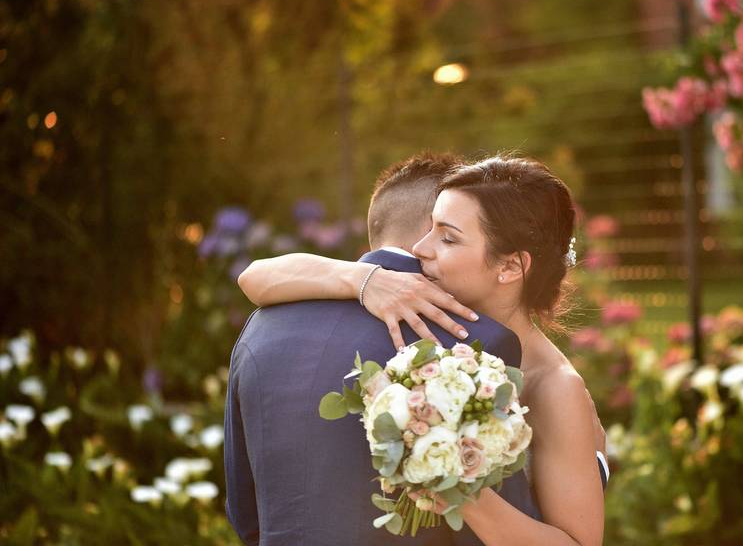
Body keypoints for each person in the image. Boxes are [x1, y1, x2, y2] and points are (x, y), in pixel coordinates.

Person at [238, 155, 606, 546]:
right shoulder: (436, 337)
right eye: (429, 228)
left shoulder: (555, 387)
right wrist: (366, 279)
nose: (419, 248)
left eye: (447, 237)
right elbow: (256, 277)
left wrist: (451, 478)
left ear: (510, 267)